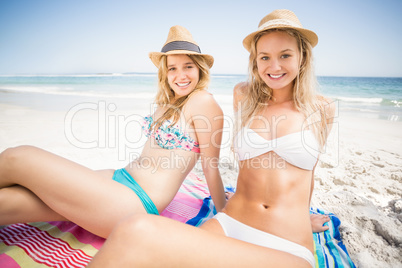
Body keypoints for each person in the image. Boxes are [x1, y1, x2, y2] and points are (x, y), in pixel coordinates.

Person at [88, 9, 335, 268]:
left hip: (289, 239)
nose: (274, 66)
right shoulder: (243, 95)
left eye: (285, 55)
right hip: (230, 222)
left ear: (302, 57)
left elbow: (309, 173)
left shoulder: (322, 108)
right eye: (265, 57)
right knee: (133, 232)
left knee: (138, 231)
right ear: (255, 61)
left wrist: (304, 215)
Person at [0, 25, 226, 238]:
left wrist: (225, 213)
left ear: (199, 68)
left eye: (188, 66)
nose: (181, 75)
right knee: (9, 202)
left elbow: (211, 166)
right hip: (118, 179)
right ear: (164, 74)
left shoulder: (203, 101)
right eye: (173, 68)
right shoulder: (168, 102)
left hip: (134, 202)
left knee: (17, 156)